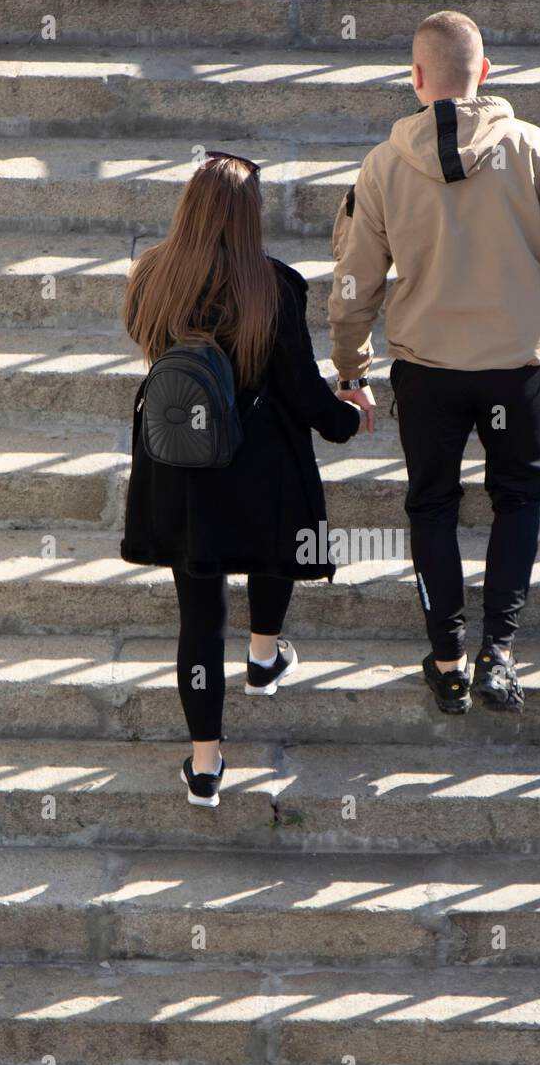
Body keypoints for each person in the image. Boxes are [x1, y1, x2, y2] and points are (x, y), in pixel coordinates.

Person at [328, 10, 540, 715]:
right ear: (484, 72)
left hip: (427, 370)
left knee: (432, 506)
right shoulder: (531, 147)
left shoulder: (384, 165)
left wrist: (352, 371)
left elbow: (354, 281)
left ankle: (447, 658)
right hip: (517, 363)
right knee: (518, 502)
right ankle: (500, 654)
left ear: (416, 79)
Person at [121, 153, 362, 805]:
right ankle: (262, 656)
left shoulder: (152, 276)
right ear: (248, 215)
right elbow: (302, 391)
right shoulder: (273, 284)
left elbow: (152, 351)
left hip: (181, 466)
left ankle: (206, 766)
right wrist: (348, 418)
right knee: (272, 549)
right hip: (258, 462)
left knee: (198, 617)